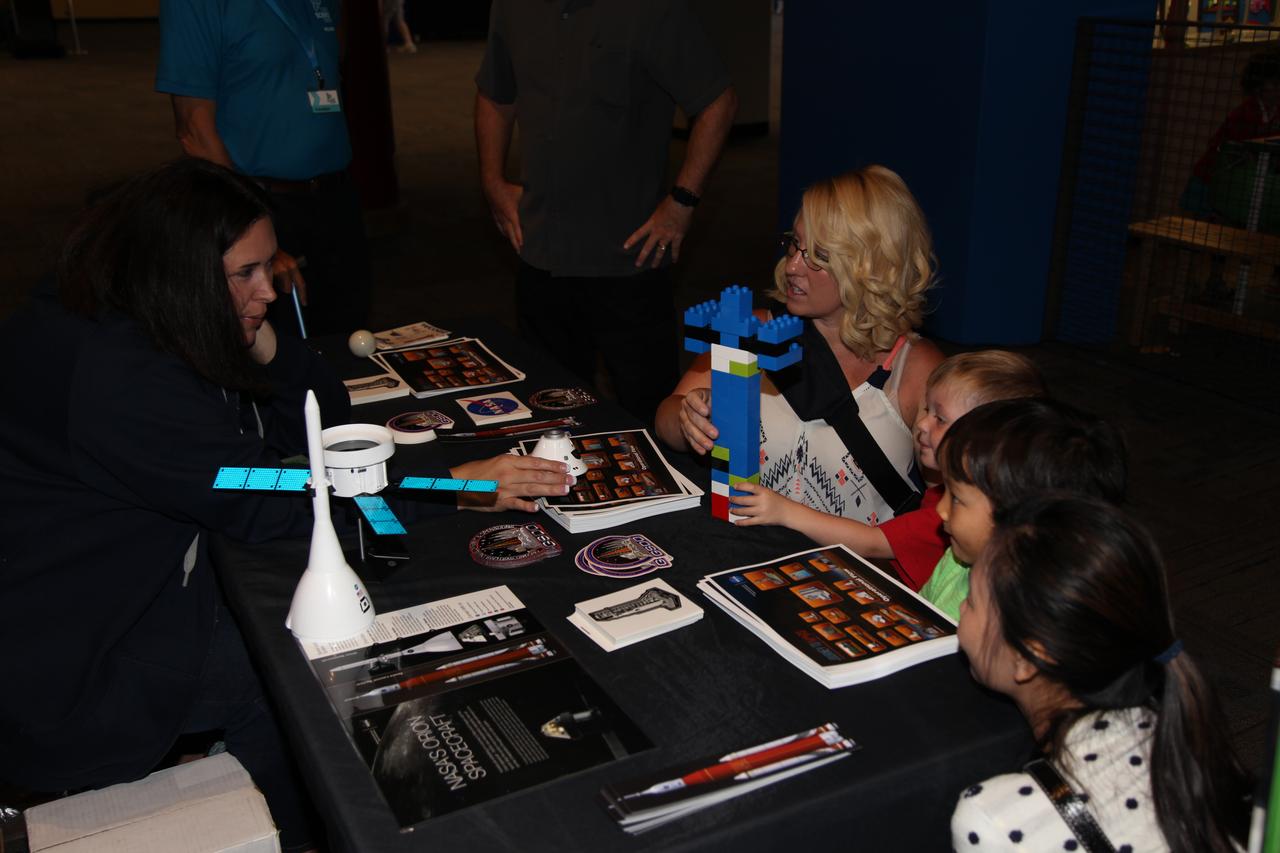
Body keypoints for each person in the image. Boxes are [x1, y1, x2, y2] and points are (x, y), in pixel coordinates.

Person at [0, 160, 571, 852]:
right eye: (245, 272)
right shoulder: (124, 380)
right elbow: (275, 498)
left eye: (269, 266)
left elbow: (319, 416)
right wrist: (455, 485)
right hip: (77, 664)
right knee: (289, 669)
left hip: (96, 588)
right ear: (179, 270)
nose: (269, 290)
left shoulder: (125, 303)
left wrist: (259, 333)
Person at [474, 0, 738, 422]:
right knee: (550, 412)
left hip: (629, 257)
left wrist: (682, 201)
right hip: (540, 251)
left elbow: (717, 102)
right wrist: (492, 182)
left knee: (649, 416)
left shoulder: (653, 10)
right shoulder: (513, 6)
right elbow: (496, 96)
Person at [951, 497, 1251, 852]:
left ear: (1028, 658)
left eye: (972, 600)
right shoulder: (1187, 735)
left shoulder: (996, 820)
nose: (961, 608)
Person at [658, 166, 944, 525]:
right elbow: (665, 419)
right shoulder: (754, 329)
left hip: (854, 560)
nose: (793, 266)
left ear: (872, 267)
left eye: (819, 256)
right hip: (746, 548)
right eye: (795, 244)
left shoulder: (915, 369)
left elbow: (948, 509)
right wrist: (687, 418)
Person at [729, 350, 1047, 591]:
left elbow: (872, 542)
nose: (922, 424)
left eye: (940, 418)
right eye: (926, 409)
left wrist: (784, 511)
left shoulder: (946, 511)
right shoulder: (944, 493)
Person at [156, 0, 370, 336]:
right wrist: (251, 234)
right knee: (277, 350)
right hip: (257, 204)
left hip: (336, 199)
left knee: (349, 338)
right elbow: (194, 131)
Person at [920, 397, 1128, 620]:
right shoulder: (956, 562)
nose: (940, 509)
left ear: (1023, 520)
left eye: (956, 498)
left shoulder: (1029, 620)